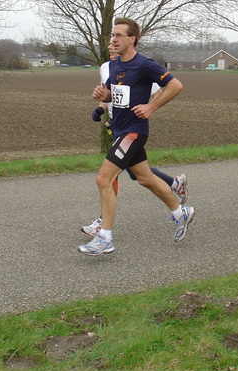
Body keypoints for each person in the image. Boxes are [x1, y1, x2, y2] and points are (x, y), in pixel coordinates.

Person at [79, 17, 195, 255]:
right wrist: (103, 95)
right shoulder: (115, 66)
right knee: (145, 179)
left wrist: (151, 107)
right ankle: (180, 212)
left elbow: (176, 86)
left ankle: (105, 238)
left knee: (103, 179)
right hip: (120, 129)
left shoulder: (145, 65)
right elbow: (114, 95)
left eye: (119, 35)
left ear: (132, 39)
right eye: (112, 35)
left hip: (134, 131)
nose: (113, 39)